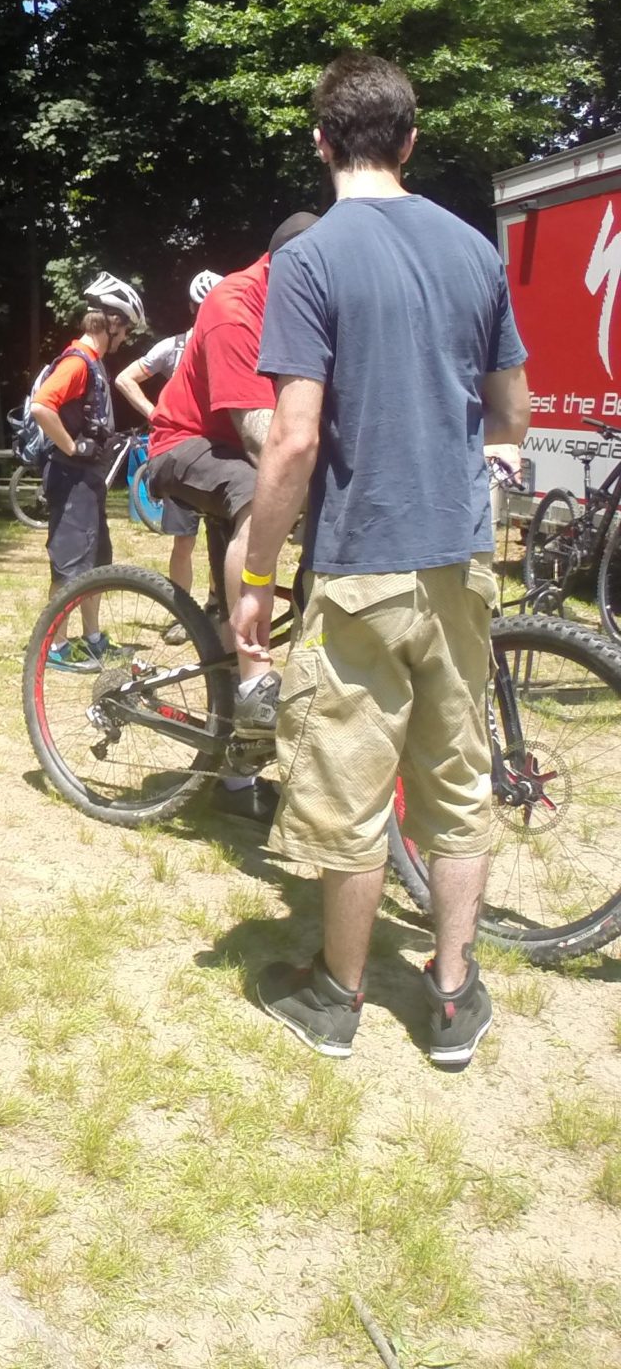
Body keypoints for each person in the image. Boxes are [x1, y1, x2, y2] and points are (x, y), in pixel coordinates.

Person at [232, 53, 529, 1066]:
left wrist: (258, 581)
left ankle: (337, 998)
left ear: (321, 141)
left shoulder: (309, 260)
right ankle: (450, 997)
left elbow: (294, 439)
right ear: (408, 141)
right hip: (459, 561)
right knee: (455, 784)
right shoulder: (472, 252)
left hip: (360, 565)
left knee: (351, 790)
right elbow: (511, 413)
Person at [144, 214, 318, 731]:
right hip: (182, 443)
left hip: (233, 448)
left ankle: (234, 768)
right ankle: (254, 680)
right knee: (257, 491)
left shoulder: (305, 304)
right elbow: (262, 441)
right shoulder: (235, 306)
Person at [30, 271, 144, 670]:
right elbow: (42, 406)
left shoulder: (94, 363)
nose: (126, 337)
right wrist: (72, 445)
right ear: (111, 323)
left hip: (88, 480)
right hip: (70, 478)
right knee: (69, 565)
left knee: (94, 563)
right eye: (126, 328)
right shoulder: (78, 362)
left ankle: (93, 639)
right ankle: (56, 648)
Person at [114, 271, 223, 598]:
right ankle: (183, 612)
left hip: (219, 453)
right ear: (193, 307)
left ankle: (219, 606)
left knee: (223, 538)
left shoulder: (229, 343)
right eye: (201, 305)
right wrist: (155, 414)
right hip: (182, 453)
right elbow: (124, 378)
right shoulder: (172, 347)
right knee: (184, 540)